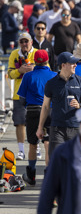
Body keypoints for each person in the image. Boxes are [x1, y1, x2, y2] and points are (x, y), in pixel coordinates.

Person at [36, 52, 81, 158]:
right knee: (57, 160)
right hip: (57, 128)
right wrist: (40, 127)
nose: (75, 65)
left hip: (76, 128)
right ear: (63, 65)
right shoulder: (51, 83)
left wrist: (80, 105)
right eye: (72, 63)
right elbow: (45, 107)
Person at [17, 50, 57, 185]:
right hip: (50, 111)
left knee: (33, 144)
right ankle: (49, 175)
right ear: (47, 60)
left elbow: (21, 98)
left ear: (34, 60)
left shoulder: (28, 76)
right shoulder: (54, 75)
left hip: (33, 110)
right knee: (48, 144)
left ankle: (31, 175)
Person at [7, 32, 37, 160]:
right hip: (19, 94)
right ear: (19, 43)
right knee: (20, 123)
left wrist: (33, 69)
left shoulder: (37, 53)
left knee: (36, 122)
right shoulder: (14, 54)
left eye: (26, 41)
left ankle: (37, 148)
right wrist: (20, 70)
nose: (24, 44)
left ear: (31, 42)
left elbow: (47, 69)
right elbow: (9, 74)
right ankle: (20, 150)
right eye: (22, 42)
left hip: (35, 93)